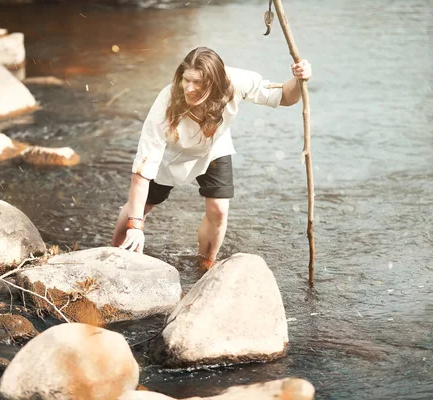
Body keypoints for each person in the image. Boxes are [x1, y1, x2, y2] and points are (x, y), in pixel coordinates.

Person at [111, 46, 312, 270]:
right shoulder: (166, 102)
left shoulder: (236, 81)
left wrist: (299, 78)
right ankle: (113, 255)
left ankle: (205, 266)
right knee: (139, 208)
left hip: (214, 147)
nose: (189, 88)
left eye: (198, 83)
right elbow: (142, 170)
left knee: (219, 210)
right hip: (171, 157)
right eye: (187, 80)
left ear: (216, 82)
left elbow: (285, 96)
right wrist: (136, 227)